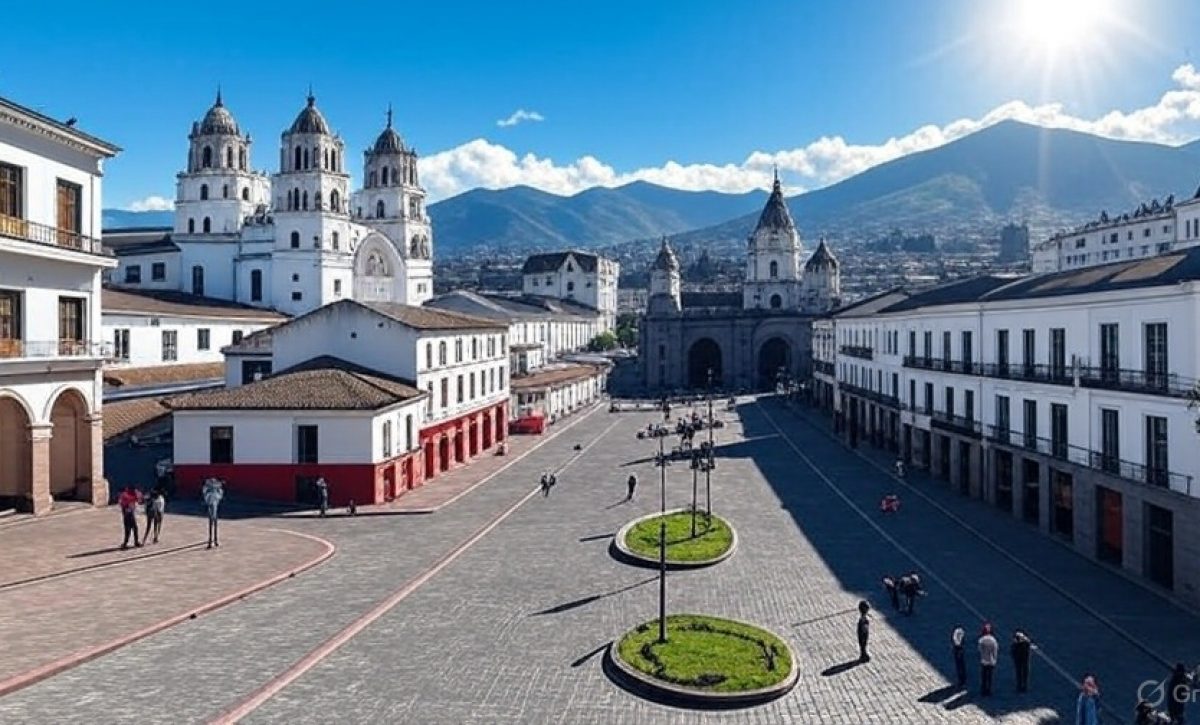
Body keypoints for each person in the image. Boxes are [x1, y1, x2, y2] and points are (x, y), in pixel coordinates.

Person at [201, 477, 224, 549]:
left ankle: (213, 540)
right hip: (212, 505)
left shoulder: (214, 491)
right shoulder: (212, 491)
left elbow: (219, 495)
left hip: (213, 505)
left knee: (213, 522)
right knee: (212, 522)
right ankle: (212, 540)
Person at [978, 623, 998, 696]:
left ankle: (983, 690)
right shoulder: (993, 640)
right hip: (991, 660)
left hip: (984, 660)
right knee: (989, 677)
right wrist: (995, 659)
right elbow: (995, 650)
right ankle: (988, 690)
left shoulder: (981, 640)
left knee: (984, 677)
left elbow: (980, 649)